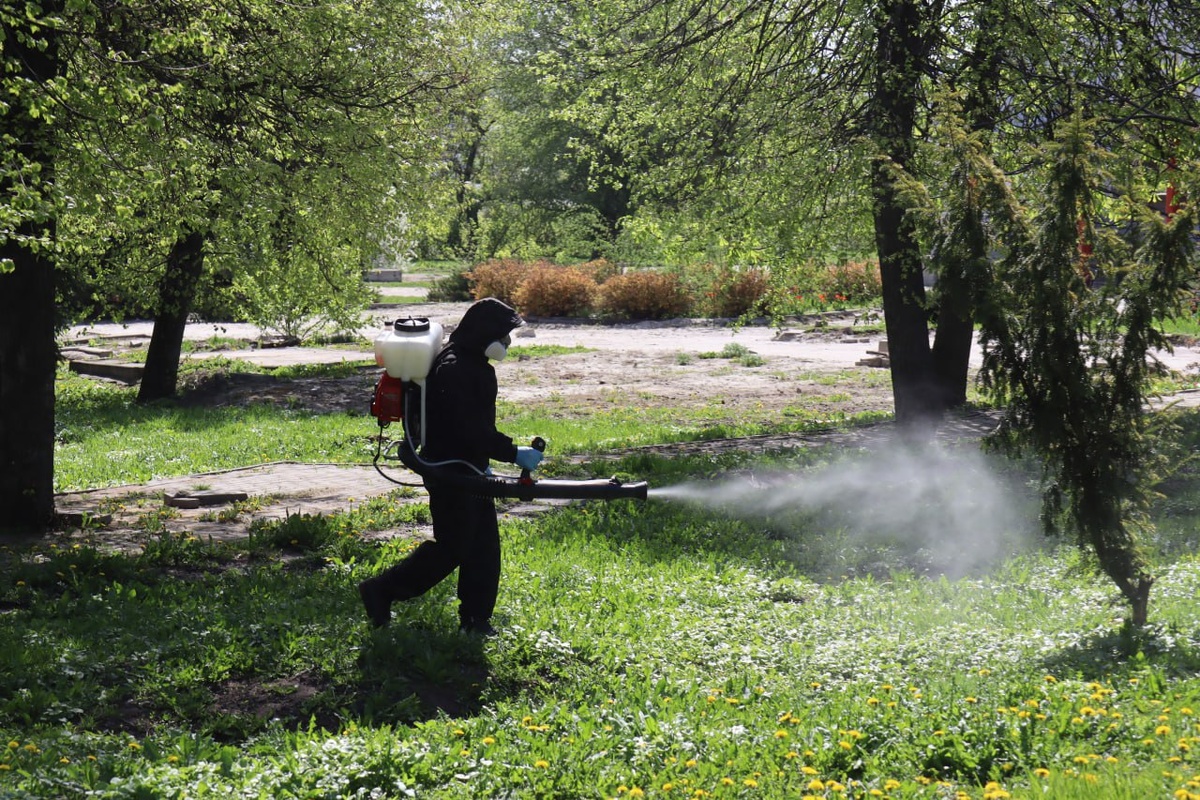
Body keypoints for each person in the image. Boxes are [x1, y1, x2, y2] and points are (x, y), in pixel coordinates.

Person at [358, 298, 544, 635]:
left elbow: (471, 430)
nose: (507, 342)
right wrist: (513, 453)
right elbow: (470, 429)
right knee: (453, 547)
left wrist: (483, 463)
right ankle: (382, 590)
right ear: (485, 334)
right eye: (503, 335)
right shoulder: (458, 369)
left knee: (483, 547)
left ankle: (476, 620)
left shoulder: (469, 361)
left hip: (465, 467)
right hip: (449, 470)